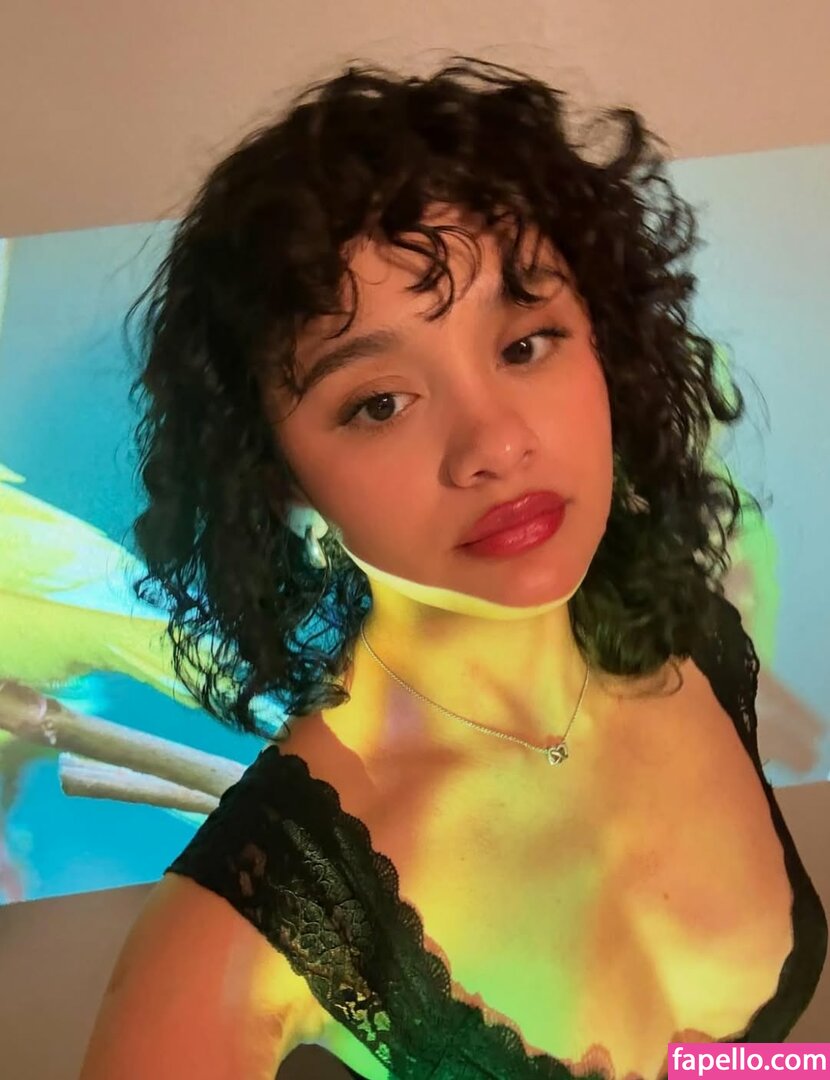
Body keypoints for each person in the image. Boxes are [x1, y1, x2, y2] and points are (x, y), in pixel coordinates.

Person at [80, 56, 827, 1080]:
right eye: (379, 403)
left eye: (524, 345)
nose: (495, 444)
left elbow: (728, 1059)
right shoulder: (248, 922)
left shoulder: (698, 641)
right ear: (278, 477)